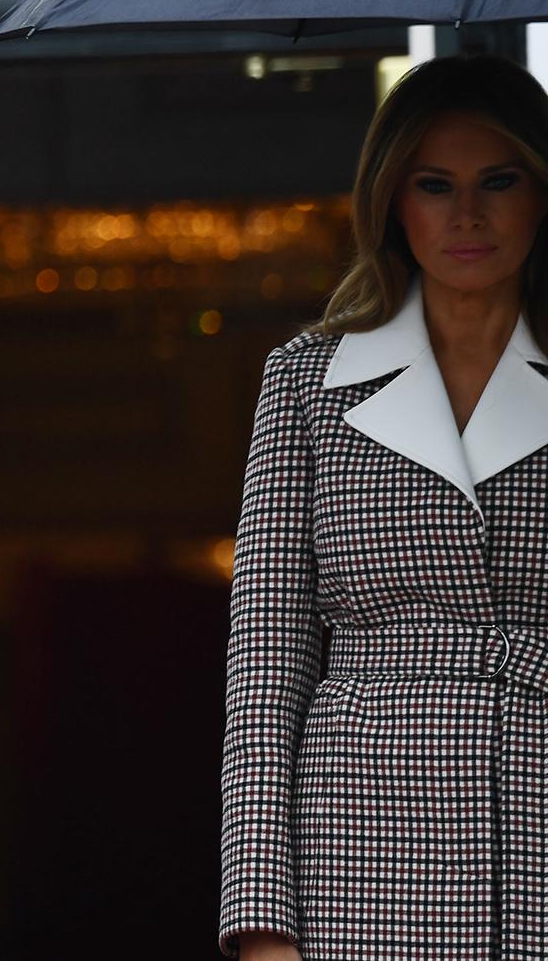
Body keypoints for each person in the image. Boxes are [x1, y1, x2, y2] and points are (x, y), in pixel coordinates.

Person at [221, 54, 548, 960]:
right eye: (434, 184)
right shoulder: (307, 381)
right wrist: (260, 924)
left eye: (500, 181)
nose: (468, 214)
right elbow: (266, 658)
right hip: (358, 852)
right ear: (393, 202)